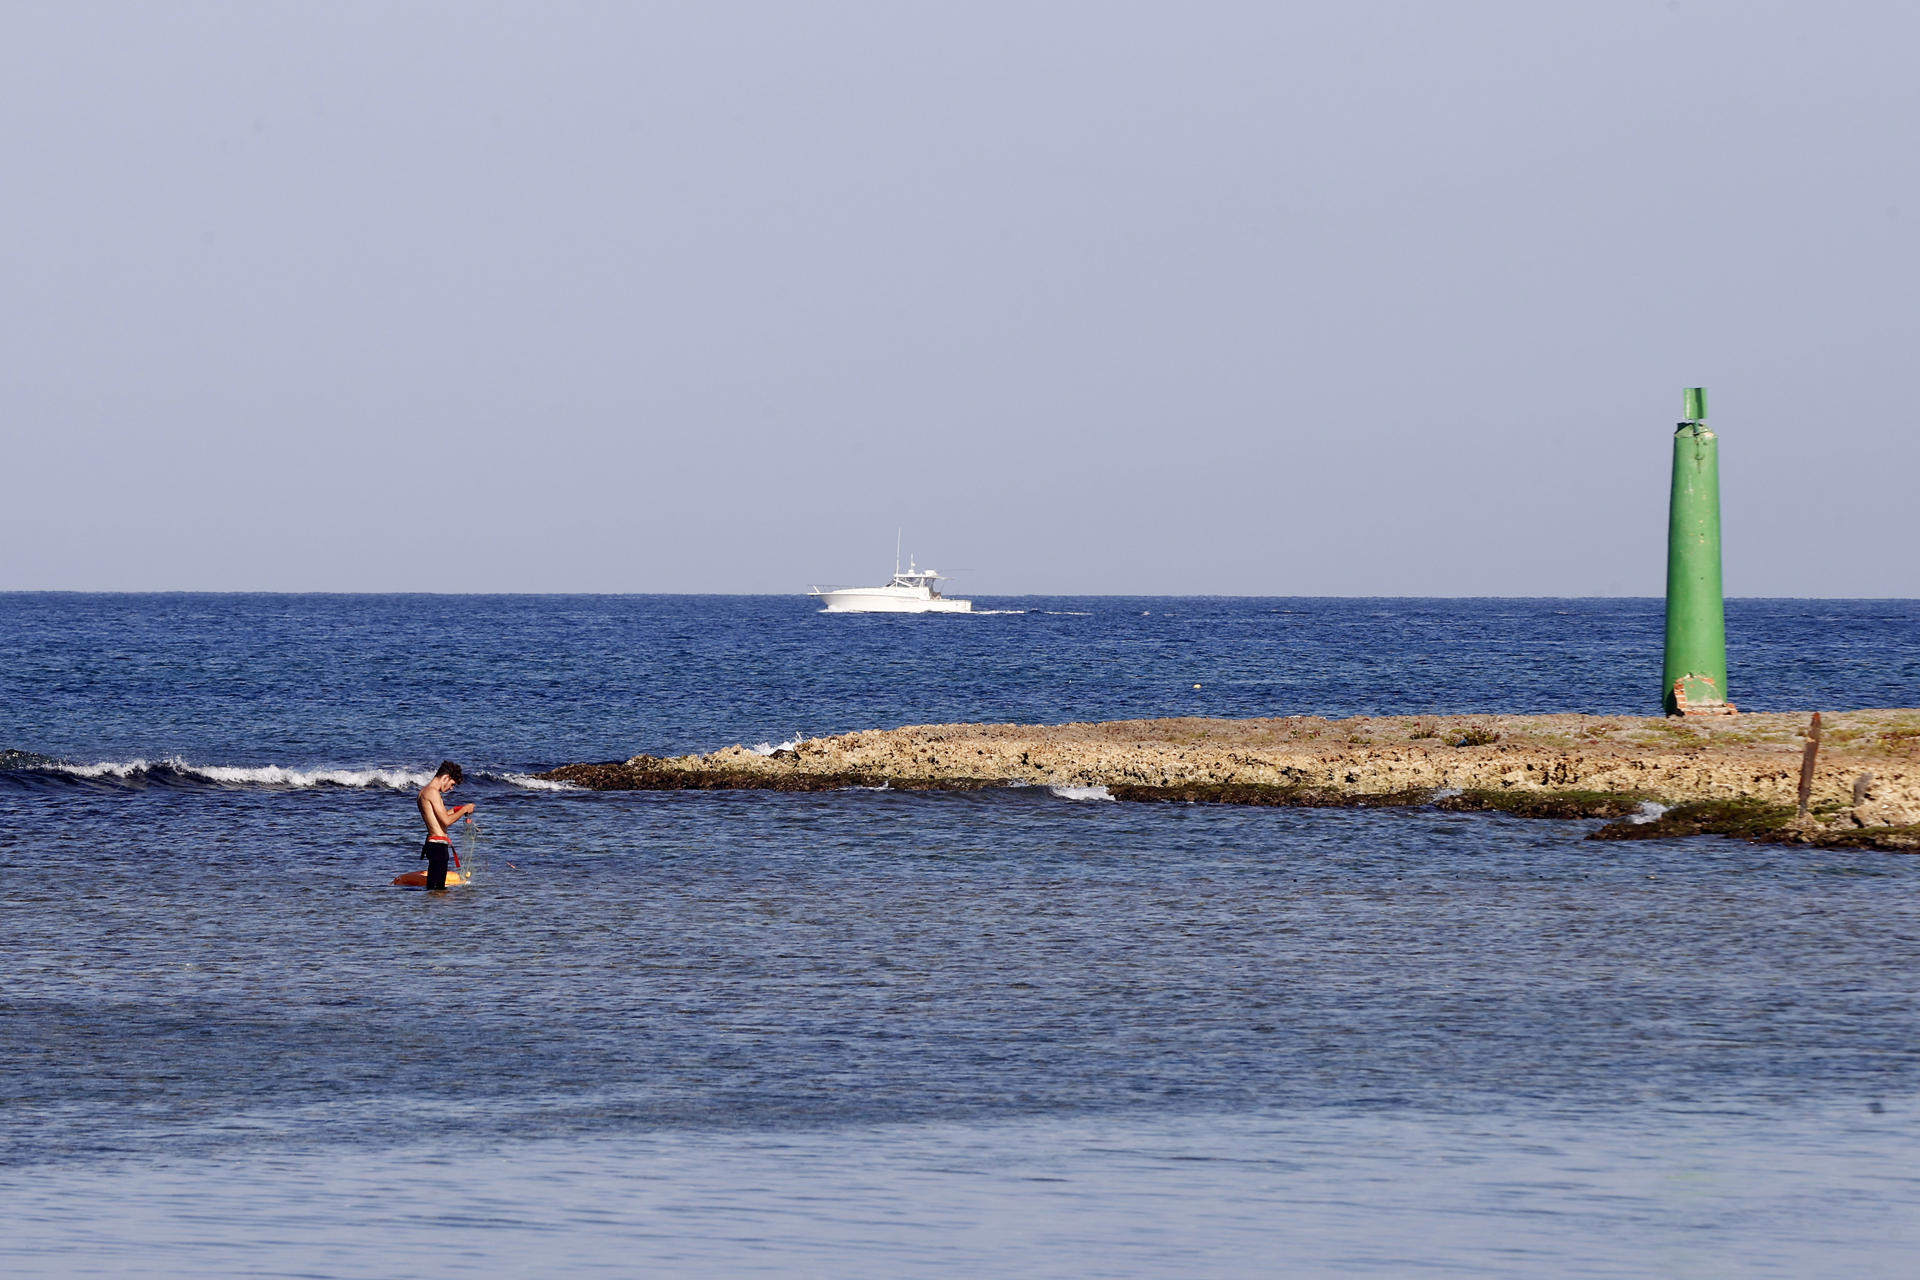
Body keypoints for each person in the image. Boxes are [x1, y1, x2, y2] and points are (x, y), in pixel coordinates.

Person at [416, 760, 474, 890]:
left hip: (434, 845)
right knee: (438, 891)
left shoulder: (424, 792)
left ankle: (433, 910)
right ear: (445, 778)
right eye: (452, 784)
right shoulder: (432, 792)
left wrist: (457, 810)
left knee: (434, 890)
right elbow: (446, 821)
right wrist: (465, 810)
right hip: (438, 847)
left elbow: (438, 818)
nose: (451, 788)